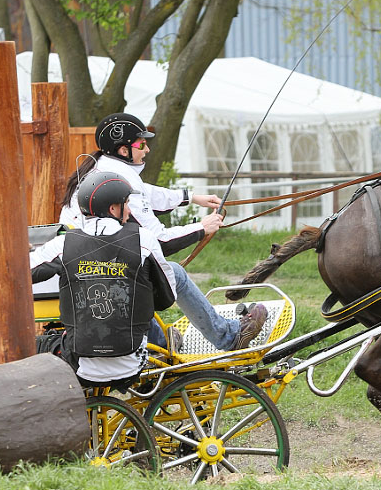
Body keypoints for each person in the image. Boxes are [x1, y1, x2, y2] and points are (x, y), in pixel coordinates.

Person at [32, 171, 267, 387]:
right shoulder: (142, 239)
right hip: (132, 362)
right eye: (126, 205)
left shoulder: (62, 244)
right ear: (114, 209)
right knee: (155, 283)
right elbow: (165, 298)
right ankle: (179, 341)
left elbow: (26, 273)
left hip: (80, 365)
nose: (130, 211)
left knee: (40, 342)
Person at [60, 113, 224, 256]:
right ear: (124, 151)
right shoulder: (118, 177)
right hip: (96, 260)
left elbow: (147, 192)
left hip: (86, 253)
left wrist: (192, 198)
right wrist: (201, 227)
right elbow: (160, 241)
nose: (147, 150)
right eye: (142, 144)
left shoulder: (105, 167)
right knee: (174, 273)